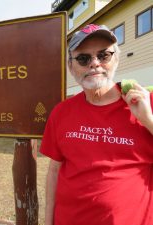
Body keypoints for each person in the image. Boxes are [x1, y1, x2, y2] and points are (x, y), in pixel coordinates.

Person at [40, 24, 153, 225]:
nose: (94, 64)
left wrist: (148, 121)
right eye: (84, 58)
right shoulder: (61, 112)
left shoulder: (146, 103)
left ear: (115, 59)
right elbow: (54, 171)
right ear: (70, 66)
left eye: (103, 56)